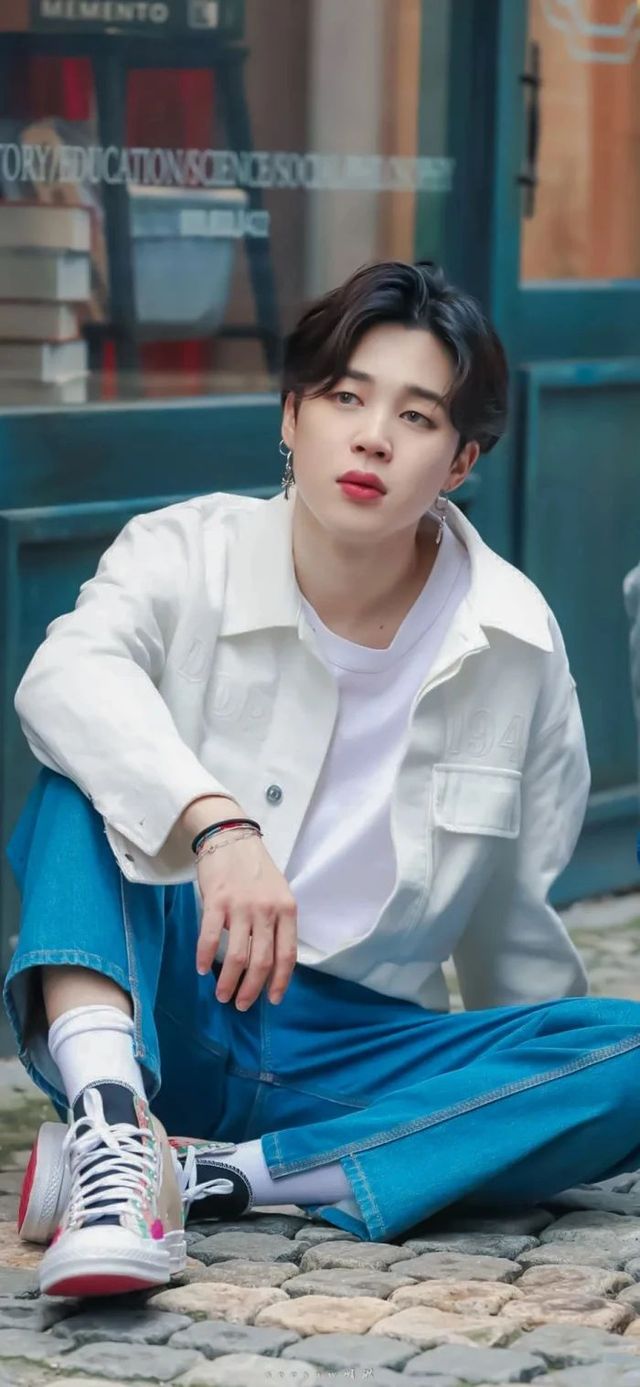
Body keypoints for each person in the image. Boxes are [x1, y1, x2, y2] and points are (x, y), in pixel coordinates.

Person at [6, 261, 640, 1301]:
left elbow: (513, 923)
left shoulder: (515, 641)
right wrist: (217, 827)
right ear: (292, 416)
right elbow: (63, 678)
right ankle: (113, 1129)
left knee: (627, 1053)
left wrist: (540, 1097)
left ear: (462, 459)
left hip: (353, 1049)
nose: (373, 437)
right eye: (346, 396)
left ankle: (217, 1176)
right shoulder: (184, 553)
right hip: (175, 1000)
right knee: (85, 769)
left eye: (417, 415)